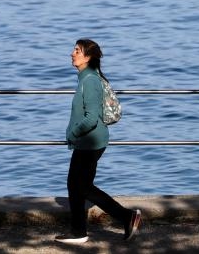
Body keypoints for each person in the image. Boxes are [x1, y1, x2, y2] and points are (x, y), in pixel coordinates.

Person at [55, 38, 143, 244]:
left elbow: (91, 118)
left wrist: (73, 133)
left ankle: (127, 217)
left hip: (90, 142)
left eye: (77, 50)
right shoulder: (86, 77)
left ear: (87, 57)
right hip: (88, 142)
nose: (72, 53)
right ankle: (79, 231)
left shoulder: (90, 81)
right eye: (74, 50)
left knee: (81, 187)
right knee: (76, 185)